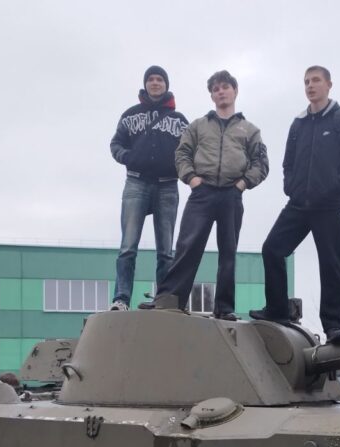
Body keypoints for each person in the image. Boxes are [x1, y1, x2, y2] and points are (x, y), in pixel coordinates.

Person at [252, 65, 340, 343]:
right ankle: (277, 310)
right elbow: (288, 163)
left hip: (331, 206)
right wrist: (290, 186)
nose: (310, 86)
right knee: (272, 249)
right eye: (306, 82)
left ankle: (333, 326)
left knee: (331, 265)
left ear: (329, 85)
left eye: (316, 80)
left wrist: (332, 187)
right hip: (299, 204)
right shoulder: (298, 124)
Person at [147, 70, 268, 320]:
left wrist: (243, 184)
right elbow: (182, 154)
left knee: (228, 251)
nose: (221, 92)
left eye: (225, 87)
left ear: (235, 91)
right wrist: (192, 179)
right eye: (216, 89)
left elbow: (261, 163)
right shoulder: (198, 125)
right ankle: (169, 299)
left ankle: (224, 308)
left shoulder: (249, 130)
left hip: (232, 193)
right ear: (212, 95)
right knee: (187, 246)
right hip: (202, 192)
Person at [109, 65, 189, 311]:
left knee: (166, 250)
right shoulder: (130, 115)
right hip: (136, 182)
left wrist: (182, 170)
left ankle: (164, 301)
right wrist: (128, 157)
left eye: (160, 79)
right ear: (145, 84)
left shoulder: (179, 120)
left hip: (167, 185)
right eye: (151, 79)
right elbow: (116, 144)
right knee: (128, 247)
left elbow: (189, 150)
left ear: (166, 84)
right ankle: (121, 299)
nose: (155, 83)